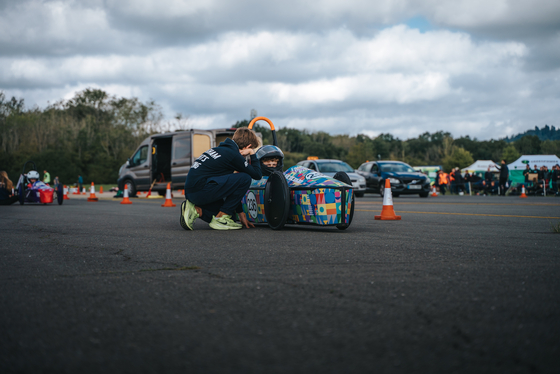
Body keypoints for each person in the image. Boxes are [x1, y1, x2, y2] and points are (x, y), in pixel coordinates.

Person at [181, 127, 263, 231]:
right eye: (250, 149)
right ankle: (220, 218)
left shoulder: (218, 150)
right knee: (245, 178)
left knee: (231, 218)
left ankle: (196, 210)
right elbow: (257, 174)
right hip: (201, 190)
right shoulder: (233, 155)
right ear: (248, 146)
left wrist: (240, 212)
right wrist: (252, 153)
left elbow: (232, 188)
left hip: (192, 192)